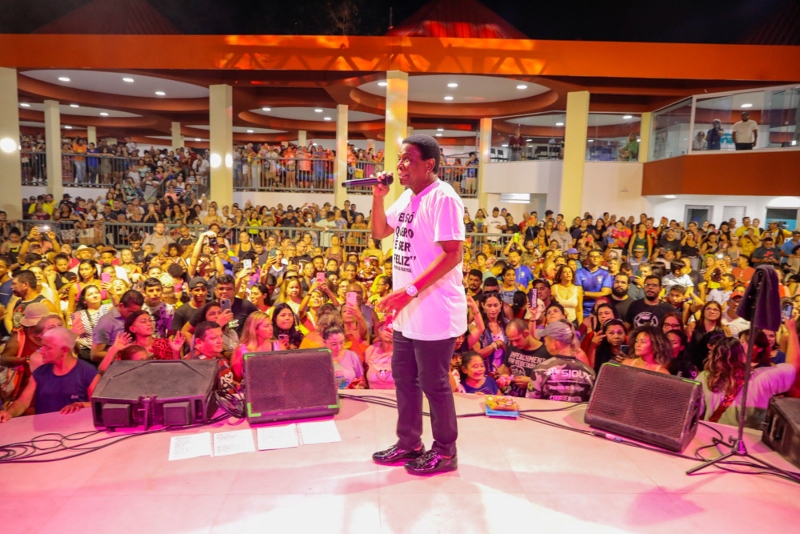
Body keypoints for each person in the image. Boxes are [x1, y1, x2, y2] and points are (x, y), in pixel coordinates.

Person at [370, 134, 465, 476]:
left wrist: (407, 291)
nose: (400, 166)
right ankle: (409, 443)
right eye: (399, 159)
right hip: (408, 310)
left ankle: (445, 451)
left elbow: (453, 254)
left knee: (433, 383)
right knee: (404, 378)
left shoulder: (444, 199)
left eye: (408, 159)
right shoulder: (409, 197)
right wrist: (378, 198)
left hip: (435, 309)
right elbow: (380, 231)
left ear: (429, 164)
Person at [699, 322, 798, 429]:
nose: (744, 345)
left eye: (748, 342)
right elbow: (794, 366)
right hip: (750, 440)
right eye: (741, 342)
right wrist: (792, 330)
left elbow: (690, 410)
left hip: (710, 434)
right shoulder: (762, 377)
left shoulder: (705, 377)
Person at [0, 328, 99, 421]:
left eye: (47, 348)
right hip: (45, 432)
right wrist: (10, 413)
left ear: (64, 350)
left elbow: (98, 404)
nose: (41, 351)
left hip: (76, 430)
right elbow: (23, 401)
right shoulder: (40, 373)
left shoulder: (88, 372)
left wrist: (81, 405)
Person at [526, 321, 596, 402]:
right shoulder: (589, 372)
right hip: (577, 414)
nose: (545, 344)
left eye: (546, 341)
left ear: (554, 343)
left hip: (547, 414)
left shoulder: (540, 370)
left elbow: (531, 402)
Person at [496, 319, 550, 397]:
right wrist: (504, 378)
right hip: (511, 398)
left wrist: (530, 381)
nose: (514, 344)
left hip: (534, 400)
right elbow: (507, 371)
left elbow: (553, 382)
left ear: (526, 333)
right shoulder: (512, 348)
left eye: (517, 340)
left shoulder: (546, 352)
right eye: (511, 341)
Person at [575, 250, 612, 319]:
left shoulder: (605, 274)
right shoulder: (579, 272)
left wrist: (585, 293)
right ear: (587, 258)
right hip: (583, 310)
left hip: (600, 310)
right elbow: (578, 294)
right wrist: (597, 294)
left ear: (600, 258)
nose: (595, 258)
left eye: (597, 257)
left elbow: (605, 293)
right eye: (592, 256)